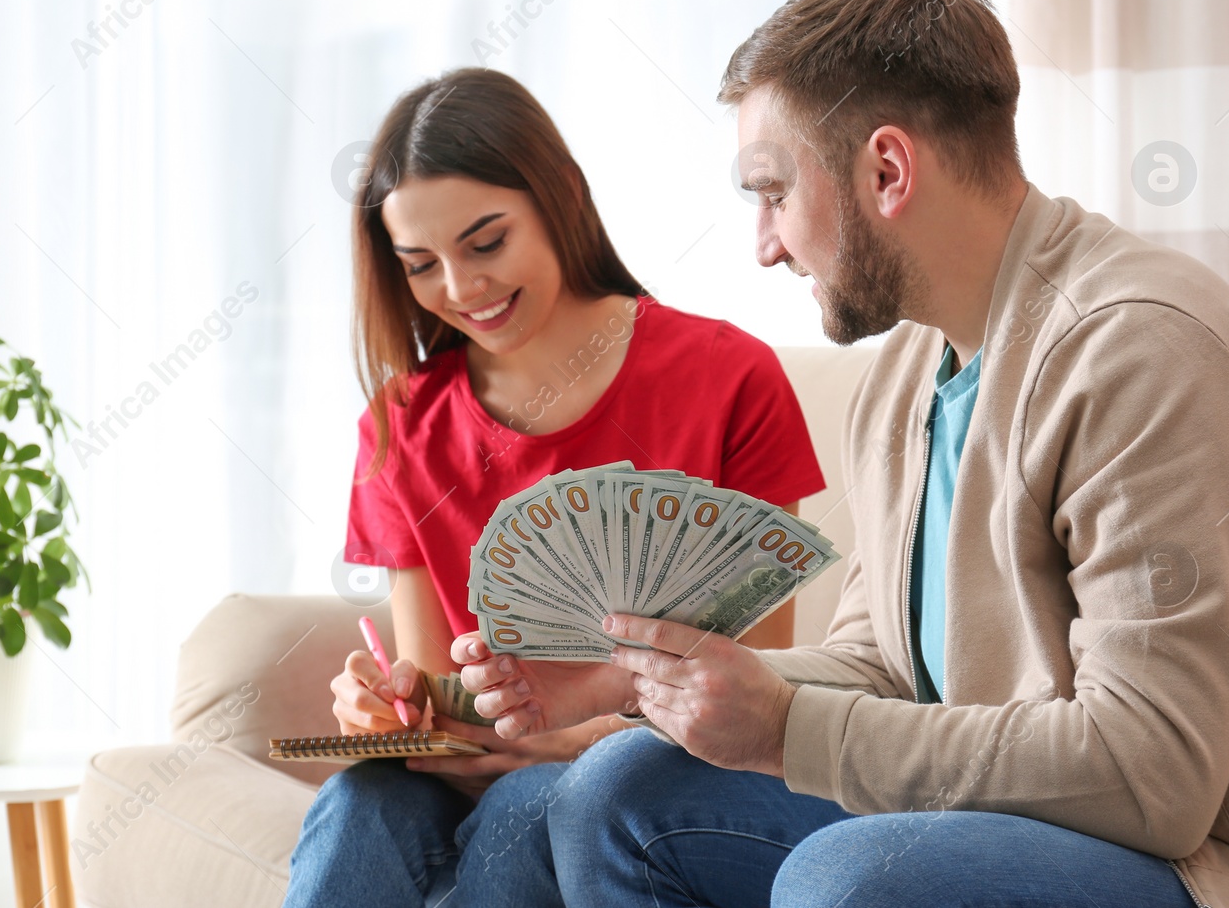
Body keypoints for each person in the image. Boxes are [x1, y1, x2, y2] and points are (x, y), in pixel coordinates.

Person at [457, 0, 1229, 907]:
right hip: (1032, 823)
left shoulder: (1140, 349)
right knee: (617, 789)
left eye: (772, 192)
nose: (764, 243)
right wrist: (630, 686)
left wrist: (785, 730)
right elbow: (883, 667)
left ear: (886, 170)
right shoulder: (903, 375)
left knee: (846, 880)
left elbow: (1155, 775)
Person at [281, 67, 827, 907]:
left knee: (535, 804)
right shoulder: (402, 424)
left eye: (487, 242)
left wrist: (564, 742)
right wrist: (389, 713)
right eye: (421, 264)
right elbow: (433, 686)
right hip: (476, 773)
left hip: (643, 769)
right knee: (358, 800)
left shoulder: (729, 378)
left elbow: (754, 676)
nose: (461, 289)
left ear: (560, 197)